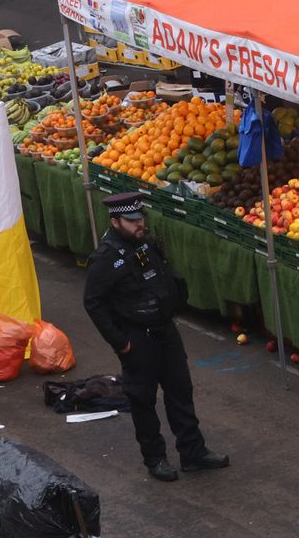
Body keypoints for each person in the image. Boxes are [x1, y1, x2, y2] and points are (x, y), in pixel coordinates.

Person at [83, 192, 228, 481]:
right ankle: (155, 459)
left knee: (180, 393)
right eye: (132, 220)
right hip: (138, 340)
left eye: (141, 218)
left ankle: (193, 452)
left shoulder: (145, 244)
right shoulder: (105, 258)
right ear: (115, 221)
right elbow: (93, 303)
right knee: (143, 400)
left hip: (165, 332)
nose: (139, 224)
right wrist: (120, 342)